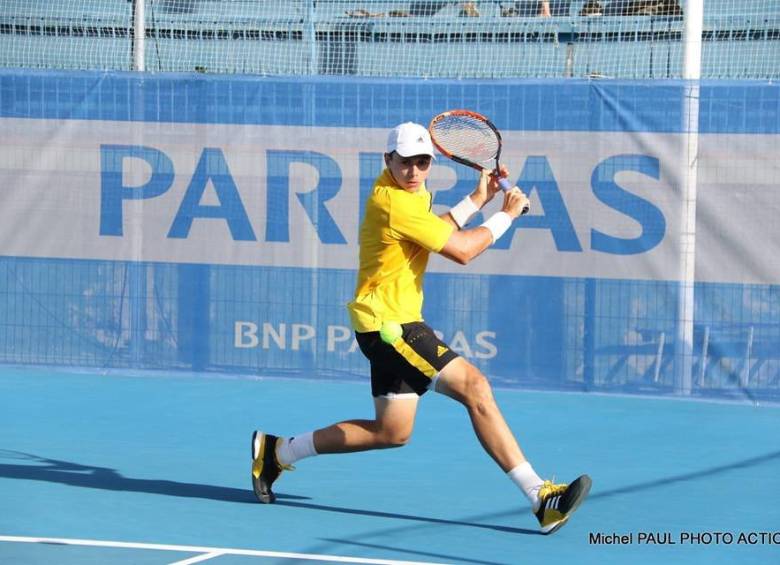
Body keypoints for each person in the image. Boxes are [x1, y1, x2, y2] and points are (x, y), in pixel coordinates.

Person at [251, 122, 591, 534]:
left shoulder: (408, 195)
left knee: (391, 432)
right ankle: (541, 497)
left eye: (422, 162)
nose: (414, 170)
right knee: (476, 387)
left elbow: (433, 229)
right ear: (387, 159)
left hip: (380, 324)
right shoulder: (394, 202)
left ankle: (278, 452)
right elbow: (462, 250)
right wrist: (505, 215)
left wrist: (477, 199)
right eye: (405, 162)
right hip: (391, 327)